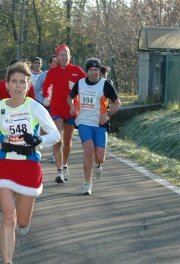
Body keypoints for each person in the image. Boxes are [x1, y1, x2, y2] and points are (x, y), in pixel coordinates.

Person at [0, 61, 60, 264]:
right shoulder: (0, 106)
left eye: (22, 82)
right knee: (8, 216)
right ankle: (7, 262)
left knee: (21, 221)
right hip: (5, 163)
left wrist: (39, 140)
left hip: (29, 165)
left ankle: (24, 223)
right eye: (14, 81)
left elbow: (55, 134)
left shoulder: (35, 107)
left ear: (29, 85)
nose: (18, 86)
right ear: (7, 84)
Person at [67, 58, 121, 195]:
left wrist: (107, 114)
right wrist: (72, 106)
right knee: (88, 151)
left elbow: (117, 103)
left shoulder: (106, 85)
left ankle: (97, 164)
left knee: (99, 158)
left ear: (99, 71)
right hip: (84, 122)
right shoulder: (80, 84)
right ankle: (87, 183)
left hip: (100, 124)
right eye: (91, 70)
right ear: (87, 71)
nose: (93, 72)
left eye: (96, 70)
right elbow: (69, 97)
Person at [43, 44, 87, 183]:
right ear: (57, 57)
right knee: (58, 138)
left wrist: (75, 87)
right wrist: (46, 97)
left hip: (71, 109)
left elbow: (86, 85)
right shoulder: (52, 71)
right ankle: (59, 171)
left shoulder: (76, 70)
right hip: (56, 108)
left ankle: (64, 164)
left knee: (67, 141)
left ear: (70, 56)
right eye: (61, 55)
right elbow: (46, 86)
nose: (64, 57)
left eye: (66, 54)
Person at [33, 55, 58, 163]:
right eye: (55, 62)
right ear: (50, 64)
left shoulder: (63, 75)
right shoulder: (44, 76)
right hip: (46, 106)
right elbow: (35, 90)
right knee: (43, 129)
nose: (58, 64)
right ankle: (37, 150)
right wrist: (42, 100)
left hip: (58, 107)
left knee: (56, 130)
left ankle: (55, 154)